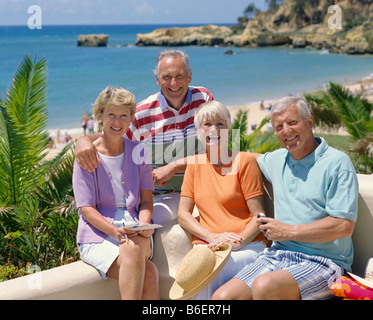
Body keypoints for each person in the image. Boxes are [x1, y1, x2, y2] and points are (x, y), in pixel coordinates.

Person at [212, 96, 359, 300]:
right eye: (279, 127)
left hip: (325, 262)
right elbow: (233, 156)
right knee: (223, 298)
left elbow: (343, 226)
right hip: (277, 256)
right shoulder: (277, 159)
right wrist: (173, 166)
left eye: (292, 122)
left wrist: (287, 231)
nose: (286, 131)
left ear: (309, 122)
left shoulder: (337, 163)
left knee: (265, 287)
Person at [74, 49, 214, 224]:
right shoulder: (142, 113)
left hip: (203, 188)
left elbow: (217, 149)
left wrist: (173, 166)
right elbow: (110, 135)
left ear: (190, 76)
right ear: (157, 79)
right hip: (163, 196)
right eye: (166, 77)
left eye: (180, 75)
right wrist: (83, 140)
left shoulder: (204, 99)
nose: (174, 83)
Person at [72, 86, 159, 300]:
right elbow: (87, 209)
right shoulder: (86, 155)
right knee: (149, 273)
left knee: (132, 247)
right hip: (97, 233)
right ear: (100, 116)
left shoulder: (139, 152)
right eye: (111, 115)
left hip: (136, 229)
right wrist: (114, 231)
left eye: (123, 116)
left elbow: (146, 201)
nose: (117, 122)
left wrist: (145, 224)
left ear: (130, 119)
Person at [178, 101, 267, 299]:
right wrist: (212, 237)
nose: (214, 130)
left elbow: (259, 215)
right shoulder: (194, 164)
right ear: (199, 131)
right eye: (207, 124)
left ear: (228, 129)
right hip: (208, 247)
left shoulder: (244, 161)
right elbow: (183, 215)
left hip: (246, 245)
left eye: (220, 124)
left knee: (215, 269)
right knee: (198, 271)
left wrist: (238, 242)